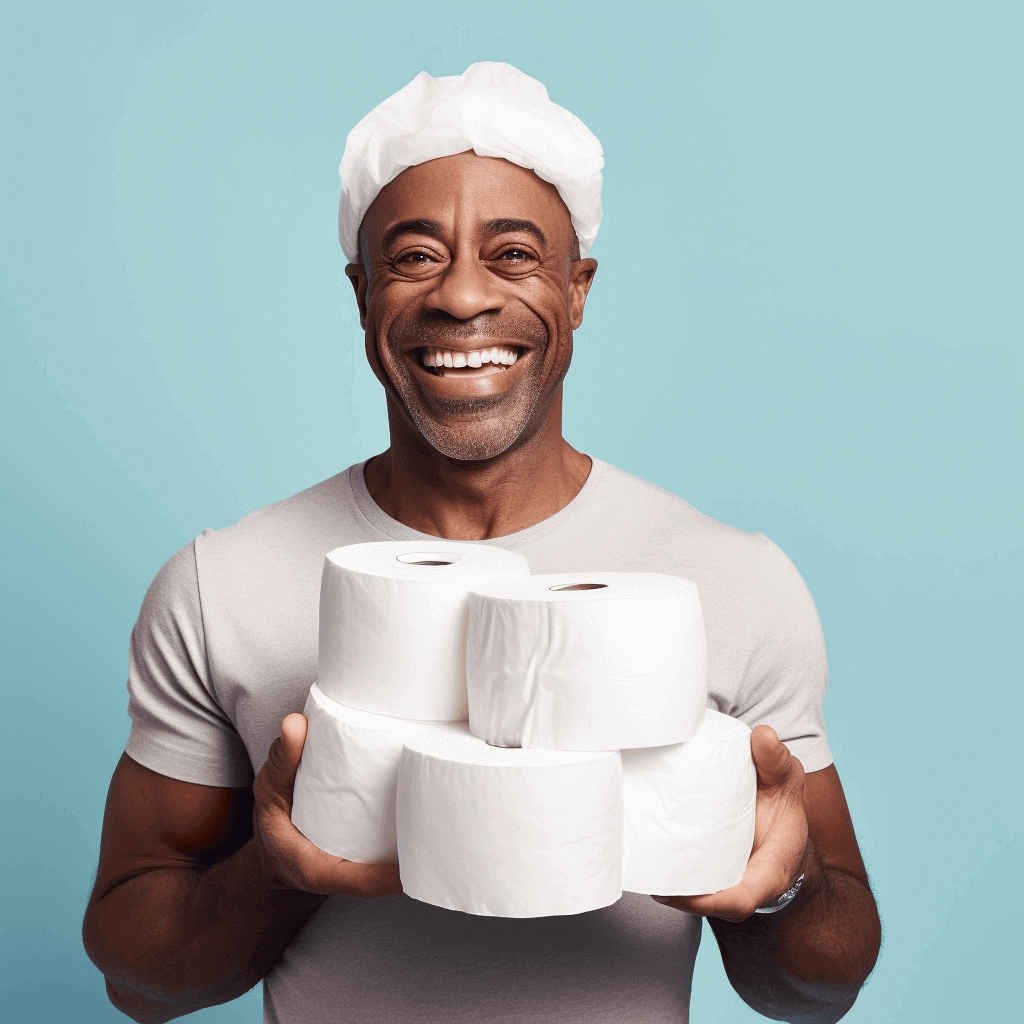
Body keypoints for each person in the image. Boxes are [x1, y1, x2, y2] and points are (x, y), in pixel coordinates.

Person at [83, 63, 881, 1024]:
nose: (462, 297)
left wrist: (781, 887)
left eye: (513, 255)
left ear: (577, 290)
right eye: (415, 256)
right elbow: (137, 979)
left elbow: (820, 991)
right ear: (361, 291)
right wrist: (284, 868)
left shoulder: (727, 583)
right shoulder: (223, 587)